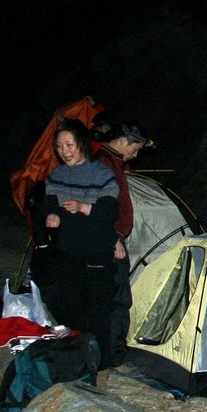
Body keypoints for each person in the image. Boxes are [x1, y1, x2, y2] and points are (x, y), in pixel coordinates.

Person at [38, 118, 121, 371]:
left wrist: (84, 207)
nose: (64, 151)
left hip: (97, 251)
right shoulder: (57, 175)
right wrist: (51, 215)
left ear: (82, 144)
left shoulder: (102, 174)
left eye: (69, 145)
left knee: (97, 311)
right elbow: (49, 203)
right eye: (59, 146)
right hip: (68, 251)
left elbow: (110, 210)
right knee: (69, 308)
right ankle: (76, 362)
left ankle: (102, 365)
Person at [92, 120, 154, 368]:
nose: (135, 155)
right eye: (134, 149)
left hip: (109, 240)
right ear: (121, 141)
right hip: (107, 242)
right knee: (117, 300)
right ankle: (113, 355)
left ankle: (108, 352)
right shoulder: (103, 164)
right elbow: (97, 206)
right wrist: (113, 238)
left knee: (112, 298)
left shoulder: (112, 163)